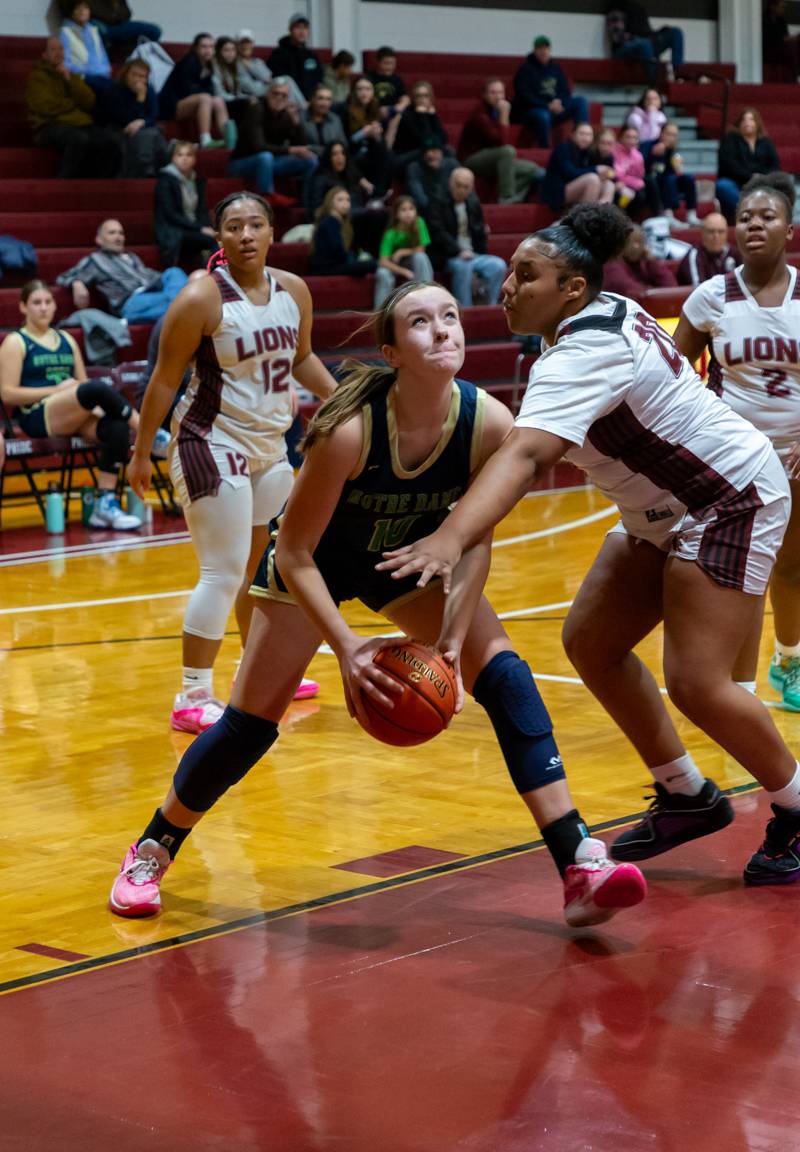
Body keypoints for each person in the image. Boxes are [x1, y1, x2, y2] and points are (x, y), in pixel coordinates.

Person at [108, 278, 647, 928]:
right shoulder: (349, 430)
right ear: (391, 351)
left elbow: (475, 540)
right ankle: (152, 848)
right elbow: (297, 553)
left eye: (450, 316)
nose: (443, 329)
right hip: (318, 567)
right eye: (421, 322)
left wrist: (451, 637)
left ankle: (578, 861)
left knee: (504, 676)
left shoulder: (488, 423)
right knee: (250, 725)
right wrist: (346, 646)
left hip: (406, 562)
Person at [380, 204, 800, 888]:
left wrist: (448, 538)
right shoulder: (600, 315)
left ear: (572, 288)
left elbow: (525, 456)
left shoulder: (585, 347)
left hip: (727, 497)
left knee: (697, 682)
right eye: (511, 272)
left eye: (527, 274)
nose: (508, 287)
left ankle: (795, 806)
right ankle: (687, 794)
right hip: (661, 506)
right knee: (592, 643)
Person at [127, 190, 336, 734]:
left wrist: (340, 404)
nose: (246, 235)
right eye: (234, 227)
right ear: (218, 238)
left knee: (257, 569)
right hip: (208, 441)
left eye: (256, 225)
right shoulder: (201, 298)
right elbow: (165, 380)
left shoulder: (294, 291)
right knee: (221, 571)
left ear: (272, 233)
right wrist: (141, 450)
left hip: (270, 446)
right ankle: (191, 695)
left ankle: (255, 672)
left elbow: (304, 357)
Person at [675, 173, 800, 716]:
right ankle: (739, 691)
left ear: (789, 230)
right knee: (744, 575)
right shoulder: (712, 296)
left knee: (793, 569)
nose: (754, 224)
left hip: (795, 454)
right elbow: (672, 375)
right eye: (746, 216)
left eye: (767, 216)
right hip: (733, 463)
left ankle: (788, 662)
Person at [0, 279, 168, 530]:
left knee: (116, 427)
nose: (43, 308)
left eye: (48, 302)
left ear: (55, 306)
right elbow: (7, 394)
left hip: (73, 411)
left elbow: (81, 384)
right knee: (96, 389)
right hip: (38, 415)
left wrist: (95, 403)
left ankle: (105, 504)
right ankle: (149, 434)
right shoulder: (16, 341)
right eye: (36, 303)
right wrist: (55, 390)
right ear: (24, 307)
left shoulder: (66, 338)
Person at [56, 218, 188, 323]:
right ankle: (185, 304)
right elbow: (63, 277)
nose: (118, 237)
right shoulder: (95, 260)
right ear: (99, 240)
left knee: (174, 272)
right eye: (112, 233)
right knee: (180, 302)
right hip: (131, 302)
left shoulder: (132, 257)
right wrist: (77, 283)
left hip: (153, 292)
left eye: (121, 233)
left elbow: (153, 277)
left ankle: (182, 304)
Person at [26, 37, 121, 179]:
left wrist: (69, 80)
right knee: (78, 138)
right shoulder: (37, 77)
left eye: (61, 49)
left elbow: (89, 101)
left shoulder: (71, 75)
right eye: (53, 49)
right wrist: (72, 104)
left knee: (110, 140)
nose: (59, 53)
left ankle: (99, 183)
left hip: (79, 123)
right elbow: (44, 106)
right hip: (49, 125)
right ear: (44, 55)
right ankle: (65, 181)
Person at [227, 79, 318, 208]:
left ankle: (306, 200)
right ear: (268, 94)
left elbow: (301, 146)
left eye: (284, 95)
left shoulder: (286, 115)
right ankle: (266, 197)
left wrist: (296, 124)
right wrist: (290, 150)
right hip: (241, 163)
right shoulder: (256, 109)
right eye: (276, 93)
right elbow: (258, 146)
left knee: (311, 160)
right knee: (265, 156)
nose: (279, 98)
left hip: (270, 162)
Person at [428, 168, 507, 308]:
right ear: (450, 183)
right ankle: (466, 310)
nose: (461, 190)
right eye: (458, 185)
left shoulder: (473, 202)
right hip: (448, 255)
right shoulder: (437, 201)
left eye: (466, 187)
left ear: (472, 187)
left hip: (472, 254)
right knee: (464, 266)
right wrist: (459, 251)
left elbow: (478, 231)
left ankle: (490, 307)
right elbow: (438, 233)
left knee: (498, 265)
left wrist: (482, 231)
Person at [457, 79, 543, 205]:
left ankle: (507, 197)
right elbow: (502, 142)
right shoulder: (479, 114)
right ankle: (506, 196)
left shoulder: (493, 110)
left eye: (500, 92)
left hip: (492, 157)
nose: (498, 96)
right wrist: (504, 114)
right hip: (471, 159)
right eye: (493, 92)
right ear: (484, 95)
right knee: (508, 151)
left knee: (533, 170)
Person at [306, 140, 386, 255]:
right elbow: (316, 209)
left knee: (382, 215)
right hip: (337, 219)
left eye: (343, 153)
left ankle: (375, 256)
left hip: (356, 214)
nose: (340, 157)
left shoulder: (350, 175)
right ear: (328, 157)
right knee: (374, 217)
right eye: (335, 154)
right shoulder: (320, 179)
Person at [510, 36, 589, 149]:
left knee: (580, 102)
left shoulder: (556, 68)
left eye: (546, 48)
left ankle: (581, 139)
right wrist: (546, 105)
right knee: (543, 115)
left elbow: (565, 91)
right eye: (540, 48)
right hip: (533, 111)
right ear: (534, 50)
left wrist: (559, 102)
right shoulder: (525, 69)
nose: (544, 51)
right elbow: (524, 96)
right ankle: (545, 150)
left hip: (554, 109)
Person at [158, 33, 235, 150]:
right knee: (205, 98)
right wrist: (204, 92)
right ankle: (205, 139)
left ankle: (228, 140)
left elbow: (210, 91)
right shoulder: (189, 62)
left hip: (192, 103)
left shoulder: (209, 65)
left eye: (211, 47)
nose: (208, 50)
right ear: (195, 48)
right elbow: (186, 91)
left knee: (218, 100)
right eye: (204, 47)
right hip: (171, 106)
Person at [98, 58, 168, 178]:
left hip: (142, 128)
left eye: (142, 77)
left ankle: (156, 172)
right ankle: (145, 172)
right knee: (148, 135)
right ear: (126, 74)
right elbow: (125, 118)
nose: (138, 80)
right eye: (135, 75)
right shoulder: (114, 91)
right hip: (118, 127)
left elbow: (154, 114)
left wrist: (142, 122)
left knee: (151, 134)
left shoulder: (148, 90)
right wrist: (140, 99)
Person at [154, 140, 217, 268]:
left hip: (192, 227)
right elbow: (171, 215)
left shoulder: (195, 180)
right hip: (174, 229)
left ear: (194, 159)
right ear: (172, 158)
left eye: (189, 155)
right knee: (212, 240)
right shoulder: (165, 181)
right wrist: (200, 228)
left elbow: (201, 210)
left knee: (219, 237)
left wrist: (209, 227)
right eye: (180, 155)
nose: (184, 159)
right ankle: (214, 278)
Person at [606, 0, 684, 83]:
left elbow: (647, 32)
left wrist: (659, 33)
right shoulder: (616, 12)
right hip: (623, 50)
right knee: (644, 44)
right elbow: (618, 38)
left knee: (675, 32)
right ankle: (653, 84)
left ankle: (676, 71)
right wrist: (640, 38)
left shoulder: (638, 9)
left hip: (645, 43)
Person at [716, 109, 780, 223]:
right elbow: (728, 165)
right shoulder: (730, 139)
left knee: (782, 184)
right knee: (723, 186)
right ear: (739, 124)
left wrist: (760, 177)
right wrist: (750, 176)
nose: (747, 122)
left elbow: (774, 165)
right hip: (736, 182)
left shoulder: (766, 142)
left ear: (757, 123)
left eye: (751, 119)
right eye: (744, 119)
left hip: (761, 183)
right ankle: (749, 213)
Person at [540, 122, 615, 211]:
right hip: (557, 192)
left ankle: (601, 215)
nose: (585, 138)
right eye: (582, 134)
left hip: (576, 188)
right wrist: (595, 169)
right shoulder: (563, 148)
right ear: (573, 135)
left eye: (589, 135)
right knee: (592, 179)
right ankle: (584, 219)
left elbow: (606, 172)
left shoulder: (588, 151)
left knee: (609, 185)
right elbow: (571, 173)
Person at [374, 195, 434, 306]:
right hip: (394, 265)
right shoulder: (390, 233)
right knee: (382, 273)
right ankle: (381, 314)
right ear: (396, 214)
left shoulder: (419, 222)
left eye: (411, 209)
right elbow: (383, 261)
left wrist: (402, 252)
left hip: (412, 262)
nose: (408, 213)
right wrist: (404, 271)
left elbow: (421, 249)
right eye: (403, 210)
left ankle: (428, 299)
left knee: (420, 256)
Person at [344, 76, 394, 198]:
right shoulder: (346, 110)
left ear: (373, 92)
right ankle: (378, 194)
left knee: (385, 150)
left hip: (370, 153)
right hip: (352, 153)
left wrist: (376, 135)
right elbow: (345, 142)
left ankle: (378, 193)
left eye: (367, 89)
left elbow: (380, 142)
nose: (364, 93)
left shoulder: (376, 110)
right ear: (354, 92)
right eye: (360, 89)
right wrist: (363, 134)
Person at [309, 187, 376, 278]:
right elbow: (338, 252)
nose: (345, 203)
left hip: (334, 266)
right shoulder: (330, 221)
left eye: (348, 200)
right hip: (326, 269)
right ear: (330, 202)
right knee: (373, 264)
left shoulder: (339, 222)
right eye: (340, 200)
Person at [645, 122, 700, 227]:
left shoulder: (673, 150)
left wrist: (678, 167)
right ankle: (668, 215)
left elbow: (676, 171)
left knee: (689, 178)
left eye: (674, 135)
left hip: (669, 182)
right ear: (661, 134)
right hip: (654, 182)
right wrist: (653, 155)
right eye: (668, 134)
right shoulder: (650, 146)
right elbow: (643, 168)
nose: (671, 138)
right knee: (670, 178)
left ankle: (691, 215)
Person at [602, 223, 673, 295]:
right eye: (630, 242)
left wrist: (652, 262)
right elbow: (635, 292)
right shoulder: (612, 264)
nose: (636, 246)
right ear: (620, 244)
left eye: (640, 242)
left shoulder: (644, 261)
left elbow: (671, 286)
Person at [392, 81, 449, 169]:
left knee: (448, 151)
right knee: (434, 153)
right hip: (404, 155)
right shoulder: (407, 115)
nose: (422, 99)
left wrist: (432, 117)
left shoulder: (430, 114)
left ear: (431, 98)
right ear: (413, 98)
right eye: (419, 96)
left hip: (423, 152)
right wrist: (422, 117)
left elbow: (443, 139)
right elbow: (425, 141)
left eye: (426, 96)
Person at [267, 14, 323, 101]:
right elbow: (276, 83)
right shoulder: (278, 55)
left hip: (311, 104)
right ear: (290, 30)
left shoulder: (312, 56)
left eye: (305, 28)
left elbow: (319, 81)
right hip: (287, 103)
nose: (302, 32)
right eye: (298, 27)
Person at [676, 212, 739, 286]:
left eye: (721, 232)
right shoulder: (695, 256)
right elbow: (699, 290)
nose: (716, 236)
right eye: (711, 232)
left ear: (727, 233)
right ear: (702, 233)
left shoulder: (734, 253)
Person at [59, 0, 111, 85]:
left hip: (101, 75)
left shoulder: (93, 30)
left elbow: (103, 56)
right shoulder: (65, 32)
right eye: (78, 8)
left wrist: (106, 70)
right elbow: (65, 62)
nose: (82, 11)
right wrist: (87, 71)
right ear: (71, 12)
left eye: (85, 8)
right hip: (82, 77)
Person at [211, 36, 253, 127]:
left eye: (233, 50)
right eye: (226, 50)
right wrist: (241, 99)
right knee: (245, 104)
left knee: (256, 102)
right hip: (221, 102)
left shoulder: (235, 66)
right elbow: (219, 94)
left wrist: (249, 97)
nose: (230, 53)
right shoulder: (214, 66)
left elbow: (238, 92)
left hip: (232, 100)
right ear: (219, 51)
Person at [407, 146, 460, 216]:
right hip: (428, 211)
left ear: (441, 152)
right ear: (423, 155)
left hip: (449, 209)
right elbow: (420, 198)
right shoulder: (415, 168)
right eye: (427, 152)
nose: (430, 155)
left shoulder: (452, 164)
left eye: (435, 151)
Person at [300, 84, 347, 156]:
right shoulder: (301, 118)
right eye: (320, 98)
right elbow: (300, 146)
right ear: (312, 99)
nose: (325, 103)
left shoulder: (335, 119)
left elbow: (343, 144)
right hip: (308, 158)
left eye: (328, 99)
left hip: (331, 159)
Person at [762, 0, 800, 81]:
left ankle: (796, 73)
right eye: (781, 7)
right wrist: (787, 39)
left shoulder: (781, 21)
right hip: (769, 51)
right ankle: (796, 75)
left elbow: (786, 37)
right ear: (772, 7)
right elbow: (768, 40)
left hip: (782, 51)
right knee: (791, 47)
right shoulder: (763, 20)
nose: (783, 10)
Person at [625, 88, 666, 160]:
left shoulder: (662, 117)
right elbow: (644, 138)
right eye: (648, 99)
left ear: (660, 102)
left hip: (655, 149)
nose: (651, 101)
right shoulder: (635, 116)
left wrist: (653, 115)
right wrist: (651, 115)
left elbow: (659, 138)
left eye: (655, 98)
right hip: (639, 148)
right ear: (643, 101)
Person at [612, 125, 646, 210]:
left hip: (631, 184)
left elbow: (640, 175)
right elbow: (618, 175)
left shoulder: (638, 155)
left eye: (635, 138)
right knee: (625, 194)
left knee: (642, 195)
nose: (631, 141)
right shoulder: (614, 151)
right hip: (615, 182)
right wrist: (637, 183)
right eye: (628, 137)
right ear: (621, 138)